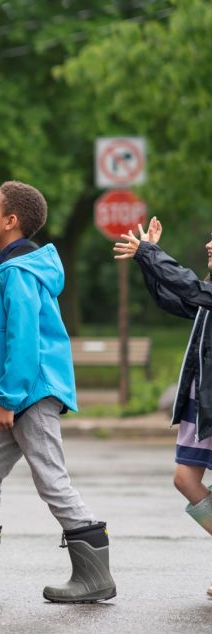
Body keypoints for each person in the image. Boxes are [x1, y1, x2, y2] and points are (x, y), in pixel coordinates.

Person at [0, 181, 117, 602]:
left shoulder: (17, 273)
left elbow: (23, 340)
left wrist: (8, 400)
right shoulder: (14, 269)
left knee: (51, 478)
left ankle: (94, 573)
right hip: (21, 394)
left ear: (11, 221)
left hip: (29, 394)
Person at [114, 217, 212, 598]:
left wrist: (151, 253)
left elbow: (187, 284)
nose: (208, 245)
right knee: (185, 480)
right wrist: (145, 260)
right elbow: (174, 298)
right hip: (201, 406)